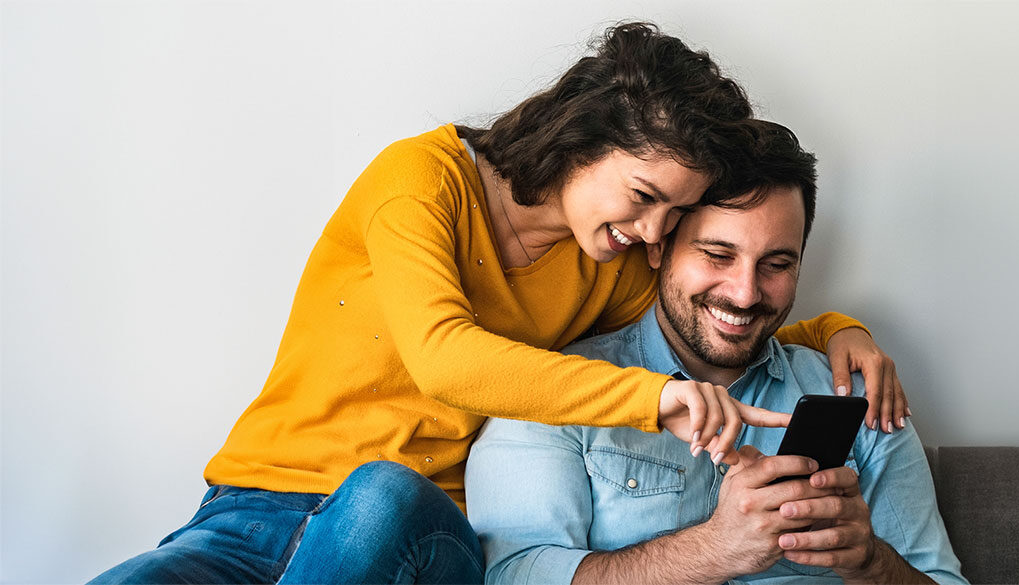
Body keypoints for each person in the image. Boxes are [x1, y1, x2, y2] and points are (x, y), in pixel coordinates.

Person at [90, 23, 909, 585]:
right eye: (643, 195)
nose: (654, 230)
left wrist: (840, 328)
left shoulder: (614, 262)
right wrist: (654, 400)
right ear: (583, 141)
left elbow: (715, 322)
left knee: (380, 492)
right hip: (252, 509)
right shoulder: (421, 180)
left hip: (421, 532)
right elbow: (445, 356)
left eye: (673, 214)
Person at [466, 121, 965, 585]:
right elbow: (513, 574)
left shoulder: (861, 395)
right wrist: (714, 549)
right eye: (718, 255)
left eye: (775, 263)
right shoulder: (561, 389)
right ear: (659, 248)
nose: (746, 294)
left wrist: (870, 561)